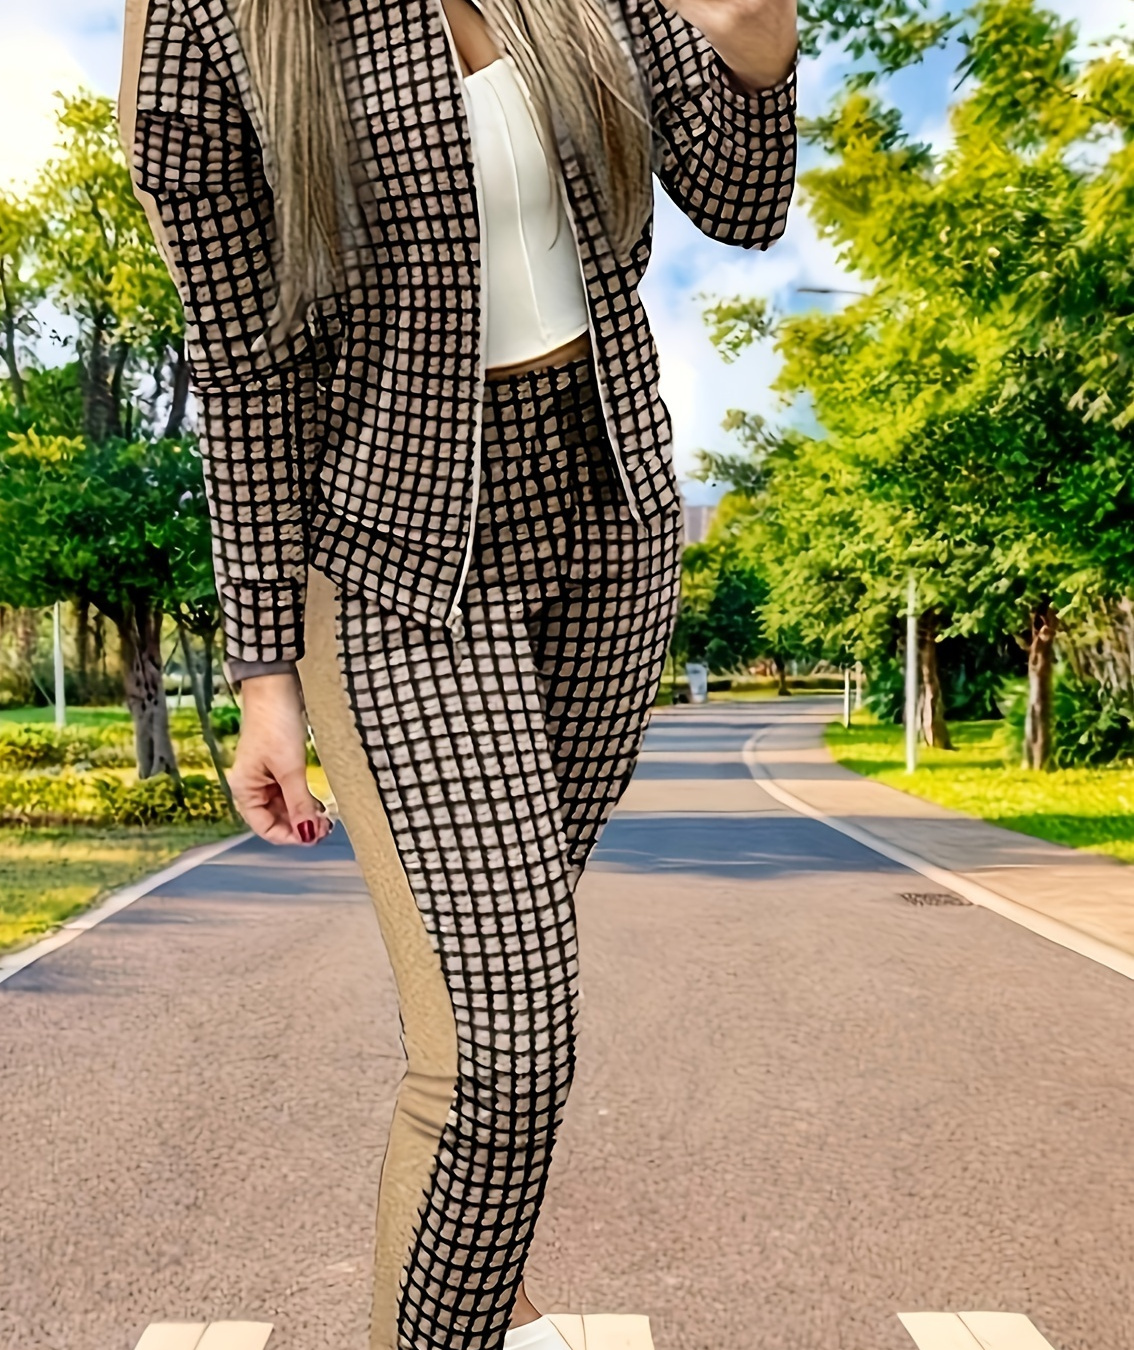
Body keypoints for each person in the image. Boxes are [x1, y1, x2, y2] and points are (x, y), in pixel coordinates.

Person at [119, 0, 797, 1345]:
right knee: (501, 1051)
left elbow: (740, 197)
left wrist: (760, 34)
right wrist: (264, 666)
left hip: (606, 520)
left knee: (490, 998)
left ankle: (464, 1294)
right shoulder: (213, 21)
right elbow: (242, 369)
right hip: (401, 561)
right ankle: (464, 1301)